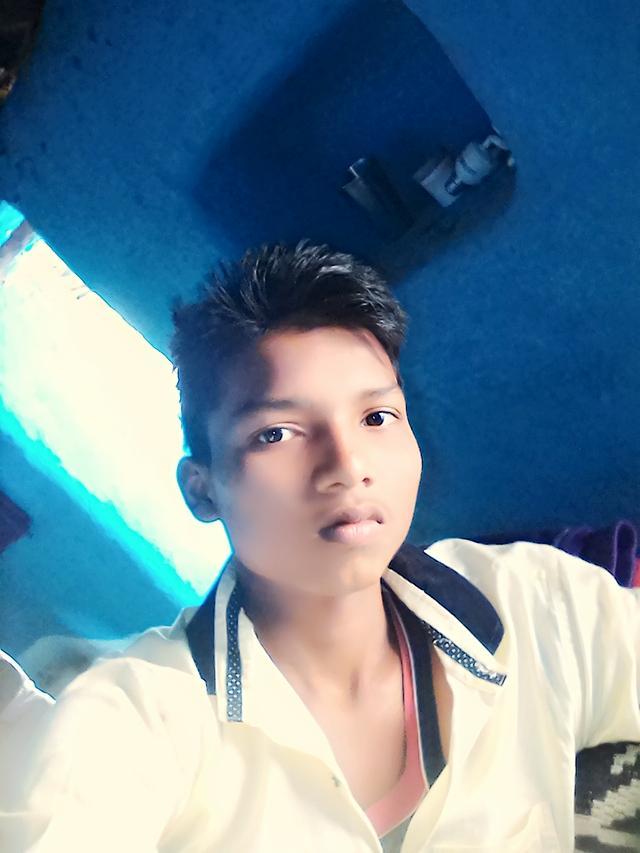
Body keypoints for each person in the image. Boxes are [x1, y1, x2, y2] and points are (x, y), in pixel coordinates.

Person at [1, 241, 639, 852]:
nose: (347, 466)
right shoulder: (138, 719)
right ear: (202, 490)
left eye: (376, 418)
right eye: (277, 433)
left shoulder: (534, 602)